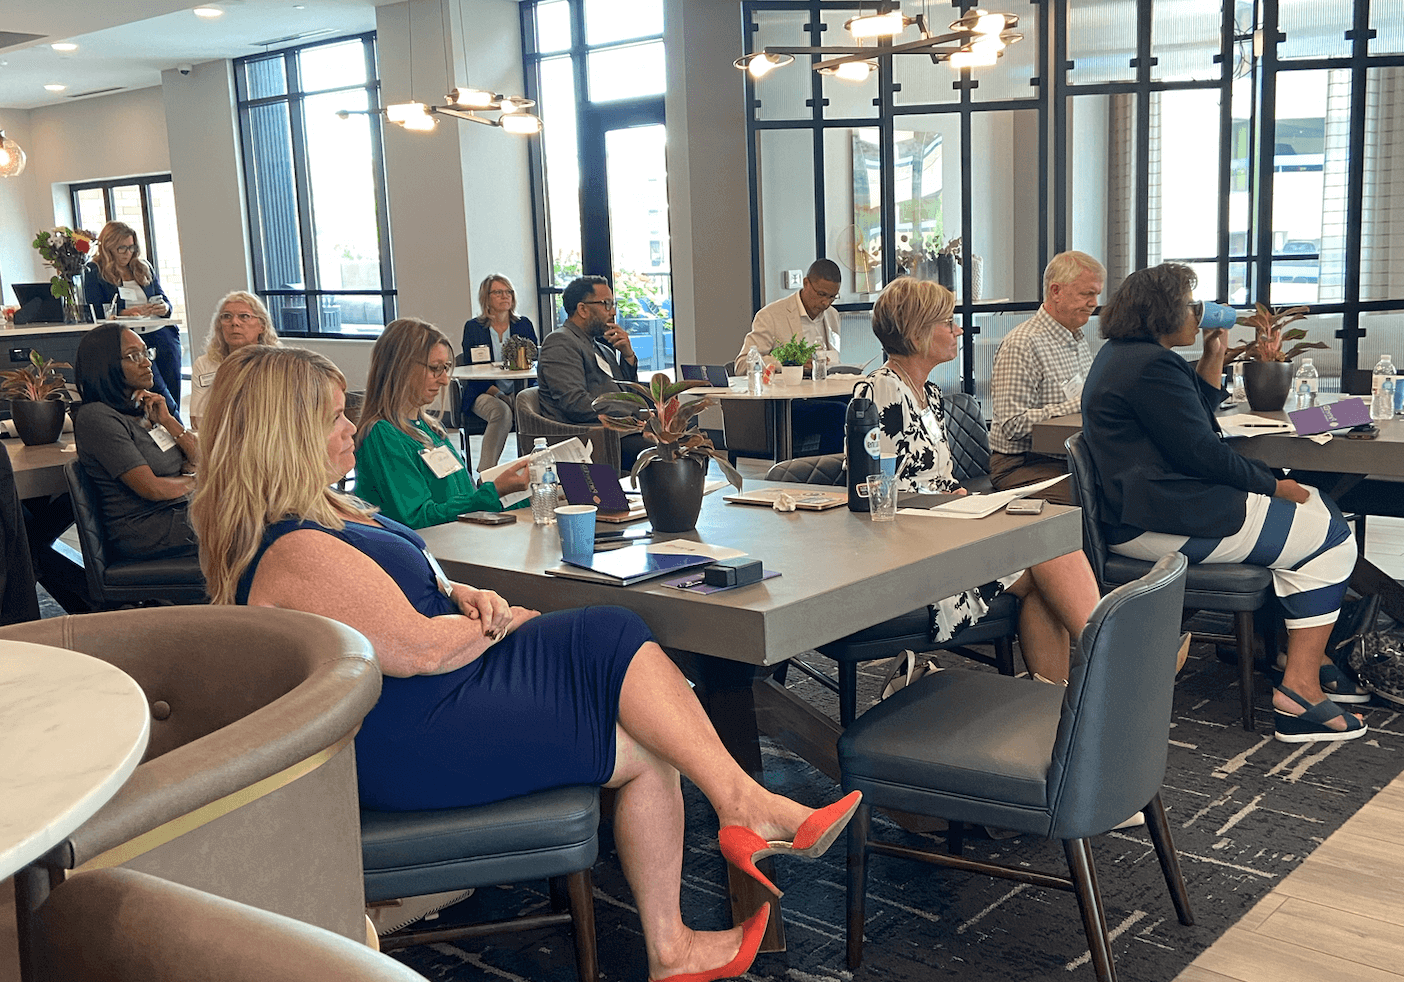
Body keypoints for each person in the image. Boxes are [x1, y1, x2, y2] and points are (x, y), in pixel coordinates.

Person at [190, 343, 862, 982]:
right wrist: (500, 623)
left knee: (649, 739)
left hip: (441, 695)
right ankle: (741, 807)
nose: (348, 427)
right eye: (332, 416)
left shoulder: (326, 511)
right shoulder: (294, 549)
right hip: (416, 728)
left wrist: (461, 591)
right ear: (286, 434)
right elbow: (418, 649)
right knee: (608, 633)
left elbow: (401, 589)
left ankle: (676, 941)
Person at [1081, 263, 1366, 743]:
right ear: (1162, 312)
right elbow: (1201, 451)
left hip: (1145, 510)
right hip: (1160, 519)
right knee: (1333, 539)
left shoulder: (1127, 356)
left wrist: (1213, 351)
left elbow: (1193, 412)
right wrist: (1272, 486)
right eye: (1191, 304)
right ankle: (1299, 690)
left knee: (1317, 509)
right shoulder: (1150, 364)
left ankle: (1295, 655)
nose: (1199, 311)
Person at [853, 278, 1101, 683]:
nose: (958, 330)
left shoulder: (929, 393)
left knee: (1044, 570)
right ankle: (1112, 653)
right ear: (918, 330)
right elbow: (871, 491)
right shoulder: (880, 389)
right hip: (908, 551)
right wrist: (942, 503)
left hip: (945, 530)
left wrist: (953, 494)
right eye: (948, 322)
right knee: (1048, 548)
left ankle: (1055, 698)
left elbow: (930, 475)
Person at [354, 318, 530, 529]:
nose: (444, 380)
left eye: (446, 368)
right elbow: (417, 519)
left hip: (460, 539)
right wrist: (494, 492)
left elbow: (465, 500)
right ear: (400, 368)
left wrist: (534, 492)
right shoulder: (383, 434)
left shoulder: (431, 429)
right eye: (435, 368)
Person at [72, 323, 198, 562]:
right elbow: (152, 488)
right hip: (145, 529)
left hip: (180, 512)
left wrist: (168, 421)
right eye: (134, 356)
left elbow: (200, 460)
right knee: (251, 522)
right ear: (106, 365)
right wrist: (199, 482)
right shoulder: (97, 417)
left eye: (145, 352)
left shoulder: (147, 410)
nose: (147, 362)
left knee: (265, 513)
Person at [989, 251, 1104, 505]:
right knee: (1091, 499)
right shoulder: (1023, 344)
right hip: (1021, 465)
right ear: (1056, 291)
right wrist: (1079, 404)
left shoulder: (1075, 338)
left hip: (1068, 456)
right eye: (1087, 293)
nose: (1094, 302)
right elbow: (1012, 425)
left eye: (1096, 294)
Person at [732, 258, 846, 456]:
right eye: (821, 294)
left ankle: (854, 473)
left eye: (832, 297)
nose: (825, 303)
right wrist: (790, 364)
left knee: (861, 403)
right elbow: (742, 364)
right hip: (787, 403)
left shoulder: (832, 316)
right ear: (806, 283)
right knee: (837, 412)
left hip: (822, 391)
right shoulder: (771, 316)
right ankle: (828, 474)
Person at [537, 275, 649, 468]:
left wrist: (628, 356)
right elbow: (575, 403)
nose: (613, 312)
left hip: (615, 432)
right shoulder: (560, 342)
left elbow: (625, 394)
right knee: (668, 452)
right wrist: (630, 417)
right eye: (606, 304)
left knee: (690, 441)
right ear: (582, 309)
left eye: (613, 304)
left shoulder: (601, 348)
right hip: (587, 437)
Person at [82, 221, 182, 416]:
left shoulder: (142, 267)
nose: (128, 253)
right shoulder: (95, 270)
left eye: (131, 247)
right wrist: (125, 312)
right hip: (132, 340)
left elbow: (164, 298)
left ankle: (175, 432)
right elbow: (95, 308)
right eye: (122, 248)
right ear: (108, 246)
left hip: (160, 335)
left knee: (173, 389)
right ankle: (174, 428)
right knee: (160, 394)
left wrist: (164, 307)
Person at [461, 274, 538, 472]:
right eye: (498, 292)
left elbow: (534, 360)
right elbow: (471, 369)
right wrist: (499, 394)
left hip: (521, 389)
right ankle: (485, 474)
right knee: (501, 412)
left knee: (534, 406)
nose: (505, 296)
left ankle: (532, 469)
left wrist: (518, 395)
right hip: (484, 391)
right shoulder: (474, 327)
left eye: (509, 292)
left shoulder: (524, 324)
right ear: (486, 297)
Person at [189, 291, 279, 430]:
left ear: (262, 326)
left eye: (244, 317)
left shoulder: (275, 363)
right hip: (217, 438)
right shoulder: (205, 363)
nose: (234, 323)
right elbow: (197, 420)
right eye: (227, 317)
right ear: (220, 326)